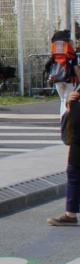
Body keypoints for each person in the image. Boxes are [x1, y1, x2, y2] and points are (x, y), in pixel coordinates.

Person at [50, 88, 80, 226]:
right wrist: (69, 102)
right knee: (73, 173)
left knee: (74, 173)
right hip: (76, 138)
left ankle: (71, 214)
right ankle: (70, 214)